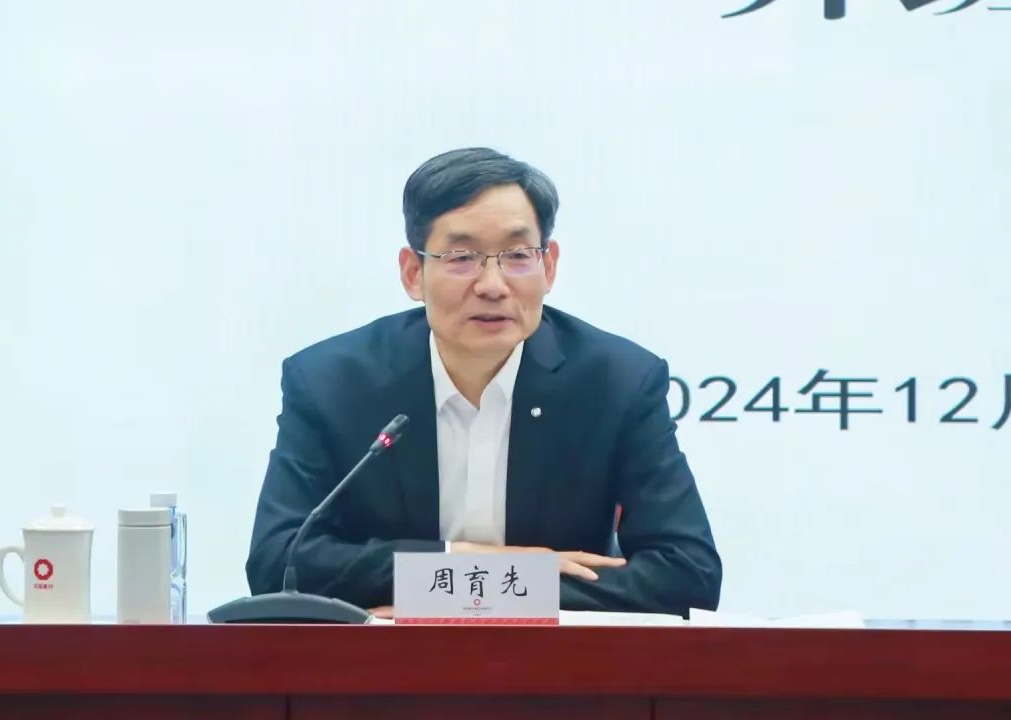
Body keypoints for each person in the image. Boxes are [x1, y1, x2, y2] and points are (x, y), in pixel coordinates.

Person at [246, 147, 721, 616]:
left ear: (549, 266)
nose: (493, 285)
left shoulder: (617, 383)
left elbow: (688, 575)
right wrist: (461, 561)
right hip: (385, 664)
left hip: (558, 662)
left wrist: (474, 588)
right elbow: (279, 562)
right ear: (413, 273)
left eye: (517, 255)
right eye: (461, 257)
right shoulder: (332, 384)